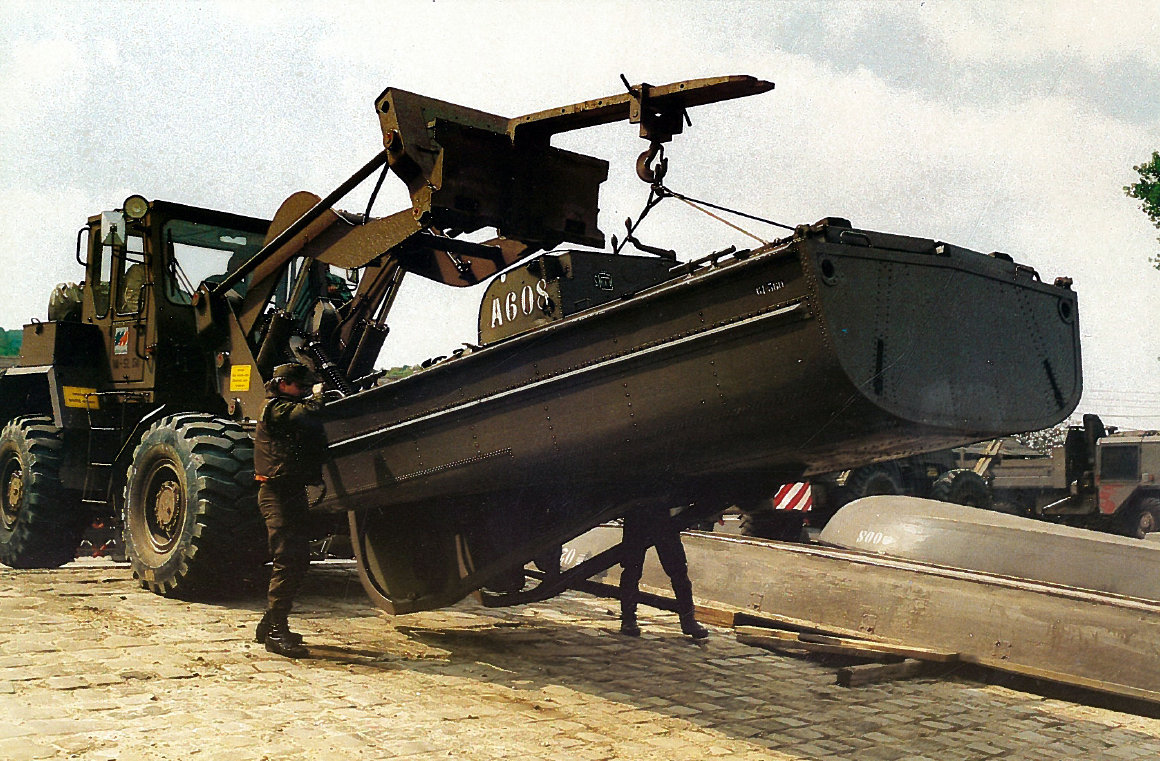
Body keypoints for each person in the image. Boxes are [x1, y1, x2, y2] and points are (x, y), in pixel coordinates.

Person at [252, 362, 327, 657]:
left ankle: (270, 623)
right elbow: (307, 414)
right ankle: (275, 630)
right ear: (283, 384)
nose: (305, 390)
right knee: (288, 557)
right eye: (301, 386)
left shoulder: (286, 405)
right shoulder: (276, 407)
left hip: (291, 491)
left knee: (299, 558)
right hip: (275, 493)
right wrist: (319, 396)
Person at [618, 504, 709, 639]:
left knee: (678, 569)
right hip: (637, 513)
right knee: (632, 568)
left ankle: (688, 620)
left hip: (661, 515)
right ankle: (628, 618)